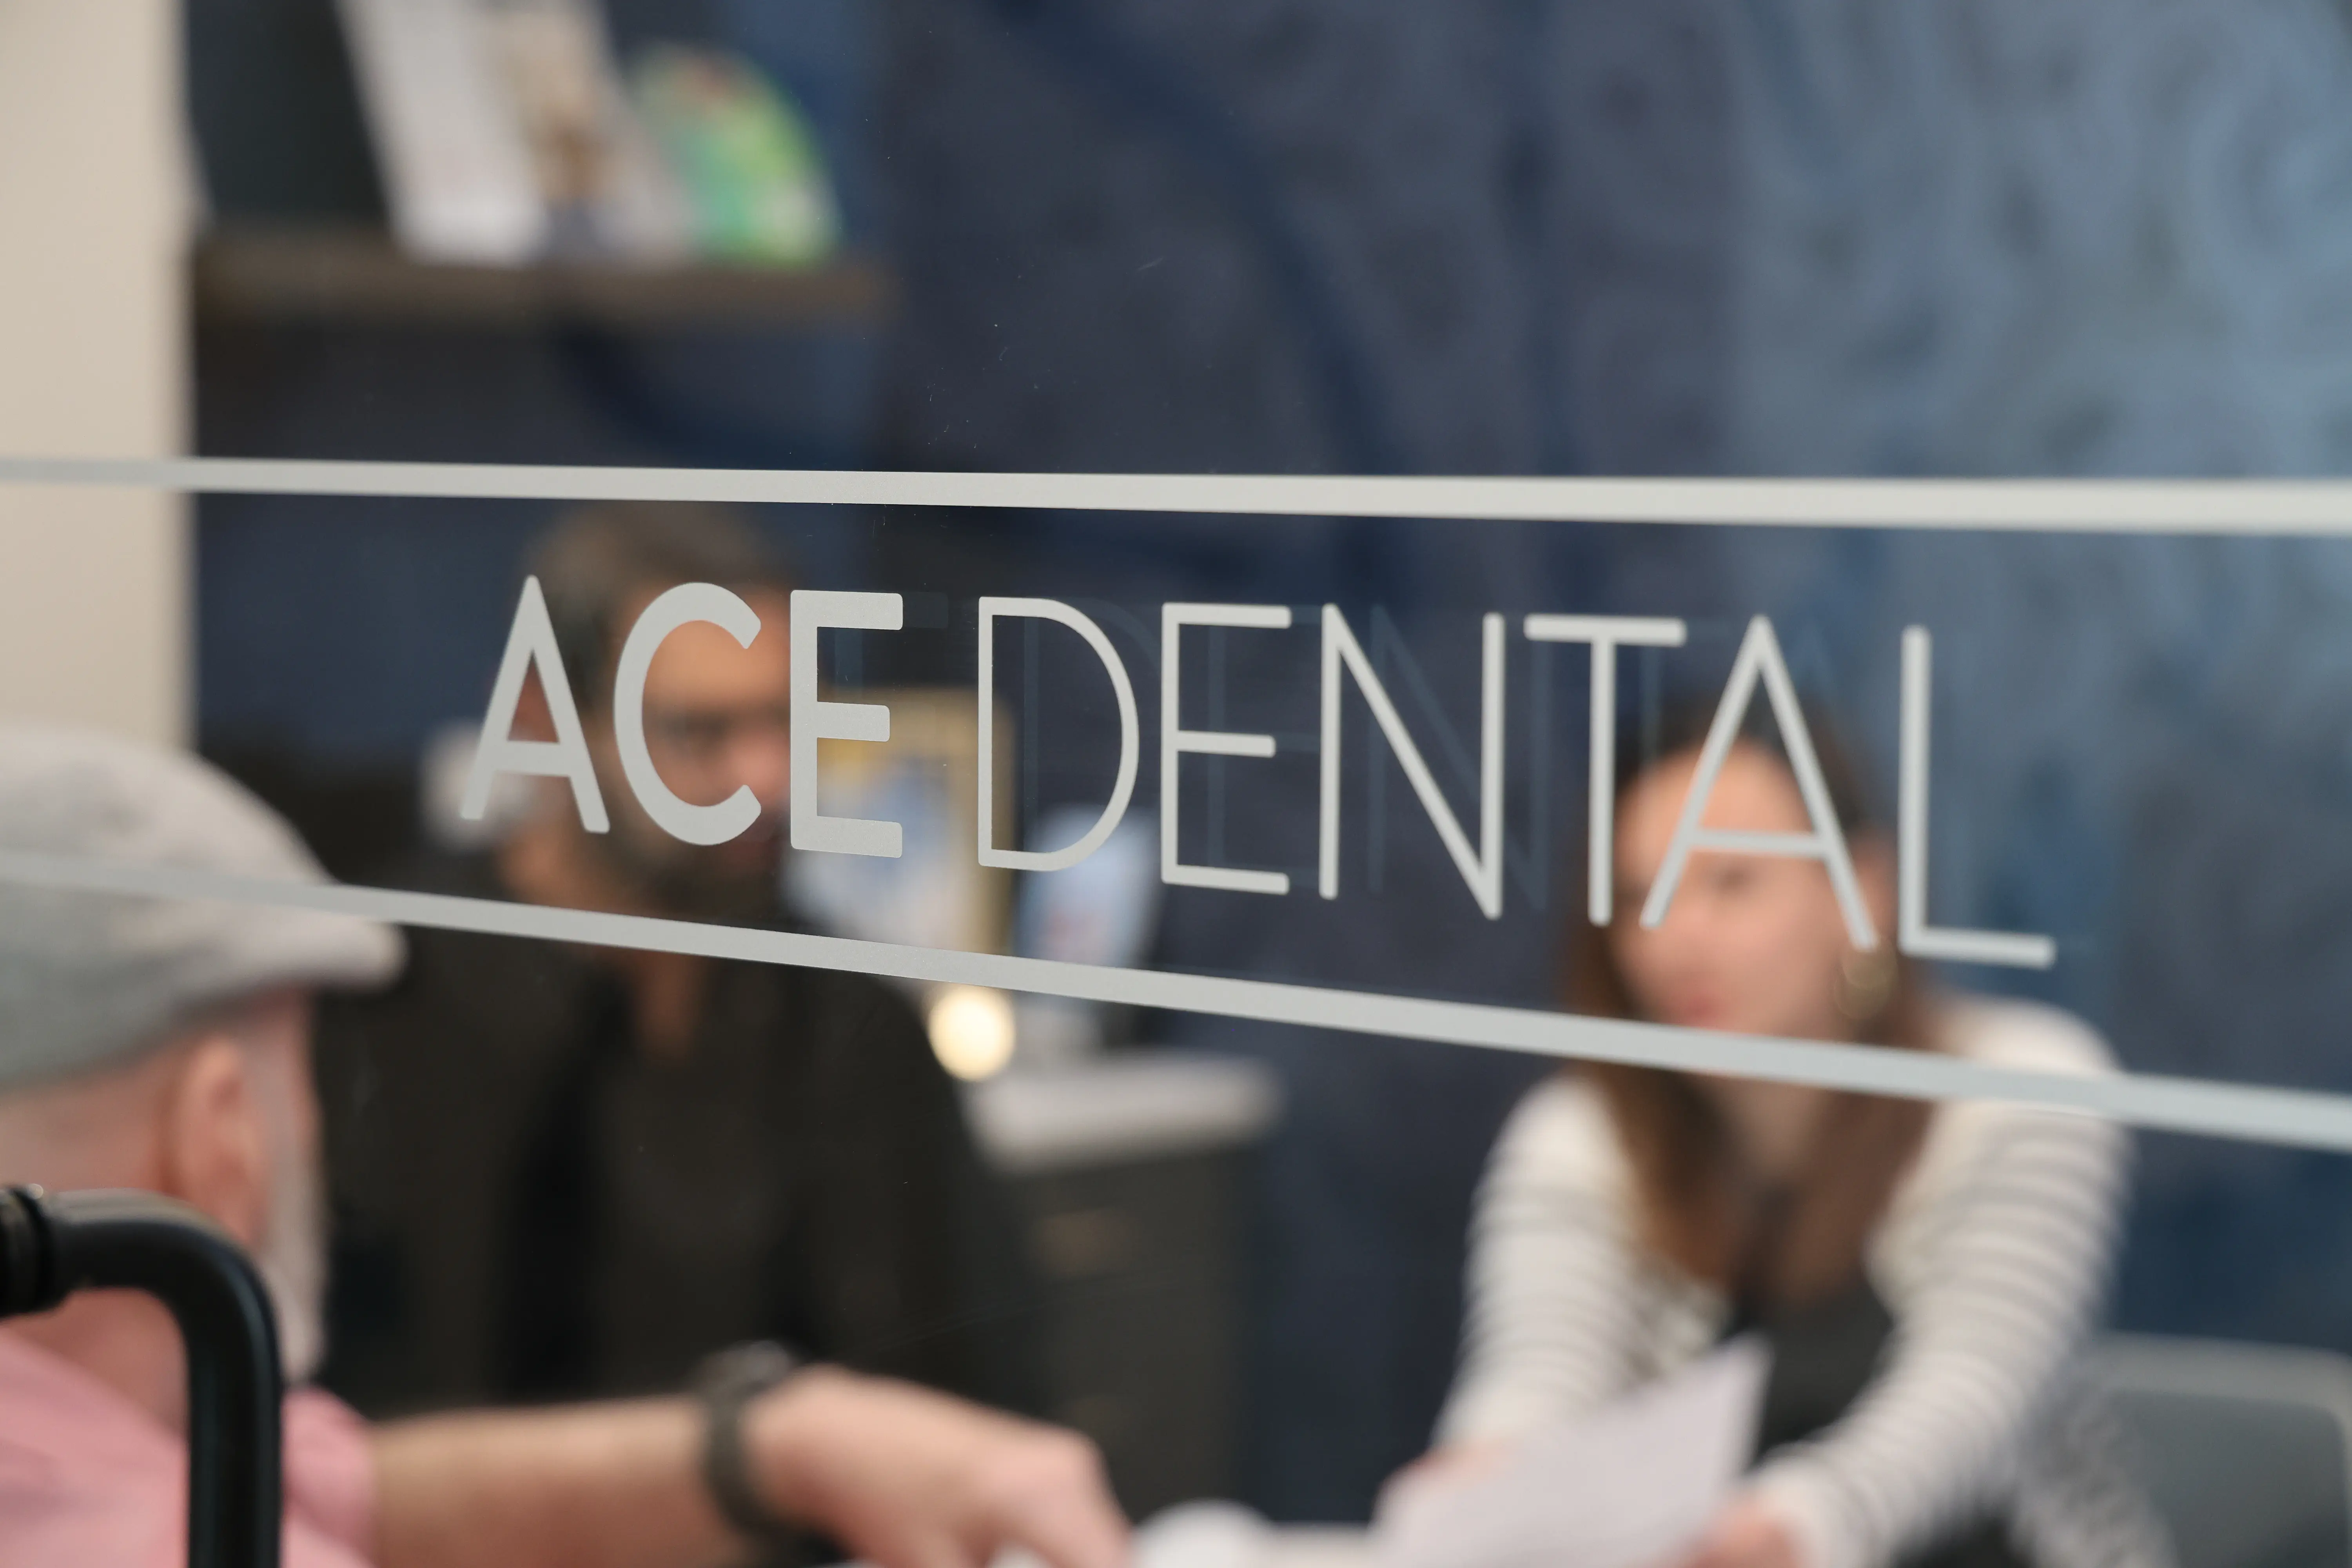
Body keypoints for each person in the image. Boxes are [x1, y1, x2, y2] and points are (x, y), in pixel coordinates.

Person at [0, 724, 1129, 1568]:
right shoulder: (115, 1530)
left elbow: (352, 1488)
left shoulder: (109, 1432)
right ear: (222, 1132)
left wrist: (787, 1444)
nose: (758, 778)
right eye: (295, 1068)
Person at [313, 502, 1040, 1418]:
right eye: (699, 733)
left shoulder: (854, 1025)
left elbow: (968, 1401)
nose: (766, 776)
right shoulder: (385, 1001)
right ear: (543, 725)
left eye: (787, 722)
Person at [1406, 708, 2170, 1568]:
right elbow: (1540, 1376)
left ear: (1865, 893)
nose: (1676, 938)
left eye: (1730, 883)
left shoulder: (2024, 1089)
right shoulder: (1578, 1136)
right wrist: (1491, 1485)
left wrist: (1791, 1526)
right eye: (1635, 896)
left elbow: (1968, 1403)